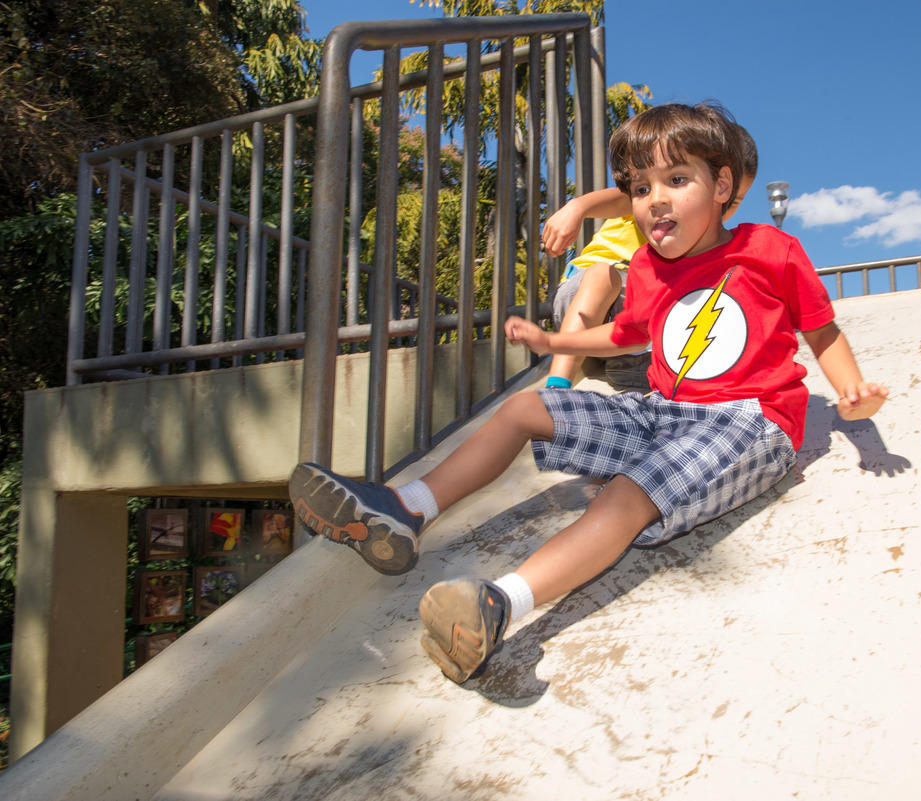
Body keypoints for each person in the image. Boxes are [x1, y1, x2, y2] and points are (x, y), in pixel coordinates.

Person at [288, 102, 889, 685]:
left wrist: (851, 392)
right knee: (525, 407)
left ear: (723, 185)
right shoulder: (647, 266)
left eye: (677, 180)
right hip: (662, 412)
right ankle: (407, 508)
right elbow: (626, 334)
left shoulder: (768, 249)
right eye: (641, 188)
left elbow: (821, 328)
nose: (656, 199)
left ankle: (499, 605)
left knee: (627, 493)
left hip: (747, 421)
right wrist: (554, 342)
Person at [539, 125, 758, 390]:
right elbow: (621, 199)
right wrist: (578, 208)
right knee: (602, 275)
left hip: (631, 328)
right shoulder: (655, 201)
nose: (718, 206)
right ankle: (557, 387)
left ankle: (631, 369)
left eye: (733, 201)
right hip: (589, 294)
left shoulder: (705, 238)